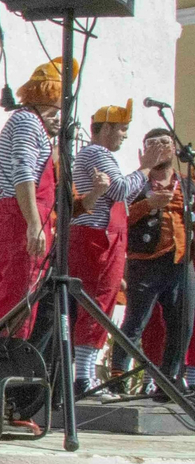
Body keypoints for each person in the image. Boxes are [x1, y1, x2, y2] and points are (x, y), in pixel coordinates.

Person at [70, 101, 147, 391]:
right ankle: (83, 377)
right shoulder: (96, 153)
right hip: (98, 237)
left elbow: (120, 194)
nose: (125, 135)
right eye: (121, 129)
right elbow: (121, 189)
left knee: (100, 304)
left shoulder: (99, 154)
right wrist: (146, 168)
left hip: (103, 236)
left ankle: (85, 375)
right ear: (105, 129)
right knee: (96, 304)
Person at [0, 62, 68, 335]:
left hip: (21, 215)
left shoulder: (28, 123)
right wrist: (34, 222)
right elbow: (23, 174)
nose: (59, 114)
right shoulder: (27, 122)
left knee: (20, 296)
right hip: (21, 217)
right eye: (56, 107)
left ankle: (7, 352)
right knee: (17, 299)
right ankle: (5, 355)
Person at [112, 129, 188, 393]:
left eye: (165, 143)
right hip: (145, 262)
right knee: (135, 321)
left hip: (180, 261)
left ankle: (169, 379)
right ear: (143, 152)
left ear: (174, 148)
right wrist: (148, 204)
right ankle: (118, 377)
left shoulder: (186, 184)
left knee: (182, 323)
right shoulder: (136, 183)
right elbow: (118, 216)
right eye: (152, 144)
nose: (159, 148)